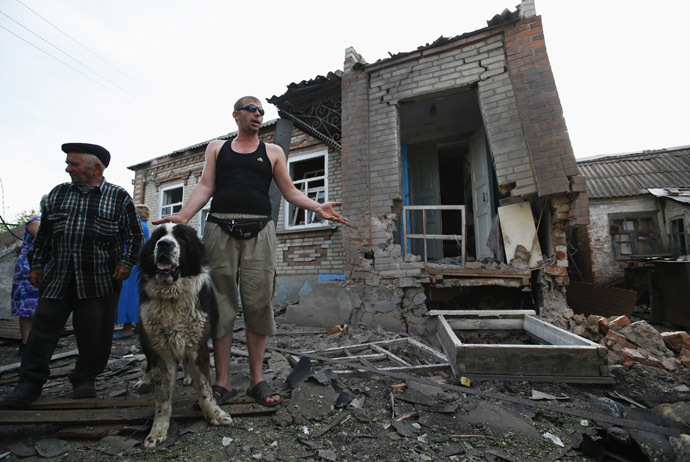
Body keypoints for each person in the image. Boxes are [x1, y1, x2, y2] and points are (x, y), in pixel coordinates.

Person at [153, 96, 347, 406]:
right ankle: (223, 382)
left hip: (260, 229)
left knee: (259, 302)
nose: (258, 114)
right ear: (236, 115)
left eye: (261, 111)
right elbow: (205, 186)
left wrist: (315, 206)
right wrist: (183, 217)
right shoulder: (217, 147)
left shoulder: (273, 152)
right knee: (221, 303)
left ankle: (257, 380)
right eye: (251, 109)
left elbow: (289, 190)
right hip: (219, 229)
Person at [0, 143, 144, 408]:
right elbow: (43, 236)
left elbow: (135, 236)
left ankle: (84, 379)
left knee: (94, 334)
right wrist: (37, 265)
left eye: (73, 164)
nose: (68, 168)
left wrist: (126, 263)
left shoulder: (118, 196)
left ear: (96, 167)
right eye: (68, 163)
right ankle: (30, 383)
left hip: (100, 278)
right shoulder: (58, 194)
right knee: (42, 332)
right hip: (58, 277)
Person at [10, 195, 48, 355]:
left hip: (46, 265)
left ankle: (41, 341)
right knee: (27, 307)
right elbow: (43, 238)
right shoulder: (36, 221)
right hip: (30, 267)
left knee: (44, 306)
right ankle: (26, 344)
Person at [113, 204, 151, 339]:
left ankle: (127, 328)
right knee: (136, 296)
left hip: (132, 265)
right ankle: (138, 326)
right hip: (138, 265)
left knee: (128, 297)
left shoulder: (139, 226)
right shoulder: (145, 226)